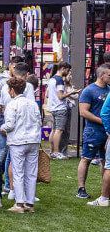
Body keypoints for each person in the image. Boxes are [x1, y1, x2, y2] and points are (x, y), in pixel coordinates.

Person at [0, 77, 41, 214]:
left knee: (18, 173)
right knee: (31, 173)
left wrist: (2, 128)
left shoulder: (12, 104)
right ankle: (29, 203)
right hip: (33, 140)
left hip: (18, 141)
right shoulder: (33, 104)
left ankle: (19, 203)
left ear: (12, 90)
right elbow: (39, 122)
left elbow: (10, 125)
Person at [76, 65, 110, 199]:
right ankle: (81, 188)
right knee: (86, 159)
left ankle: (105, 191)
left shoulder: (109, 90)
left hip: (106, 132)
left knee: (105, 161)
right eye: (109, 75)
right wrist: (102, 121)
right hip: (93, 131)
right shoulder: (88, 91)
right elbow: (83, 112)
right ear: (102, 76)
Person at [44, 62, 76, 161]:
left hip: (53, 108)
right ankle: (57, 152)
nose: (68, 72)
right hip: (60, 108)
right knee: (59, 130)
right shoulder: (59, 81)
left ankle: (52, 150)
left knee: (54, 130)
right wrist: (71, 93)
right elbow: (61, 96)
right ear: (63, 69)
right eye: (68, 70)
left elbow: (48, 94)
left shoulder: (52, 79)